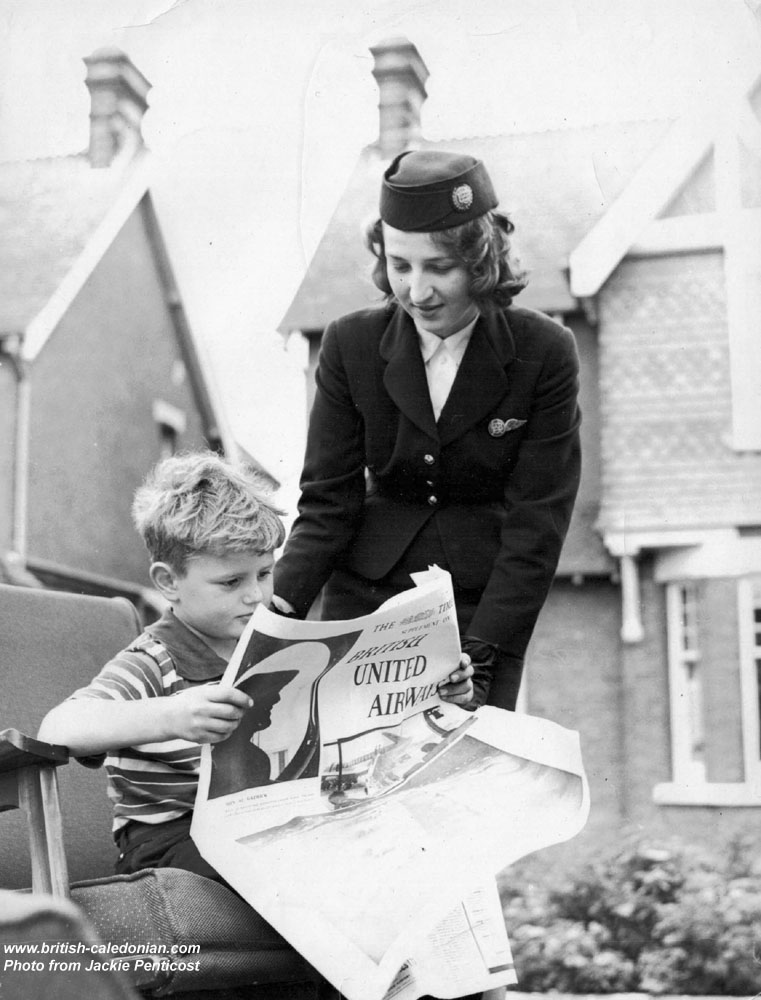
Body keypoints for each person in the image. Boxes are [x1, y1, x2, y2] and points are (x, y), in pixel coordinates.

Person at [37, 450, 474, 884]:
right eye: (231, 582)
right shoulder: (155, 660)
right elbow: (57, 728)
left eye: (264, 574)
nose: (255, 596)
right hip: (171, 842)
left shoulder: (280, 643)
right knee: (298, 876)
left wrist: (437, 686)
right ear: (169, 582)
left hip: (269, 825)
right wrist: (172, 715)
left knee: (401, 854)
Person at [273, 149, 581, 712]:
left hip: (479, 614)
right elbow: (326, 504)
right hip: (363, 602)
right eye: (400, 266)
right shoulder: (349, 346)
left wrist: (479, 664)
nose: (417, 292)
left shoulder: (545, 353)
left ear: (482, 261)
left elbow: (537, 526)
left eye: (439, 267)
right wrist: (276, 614)